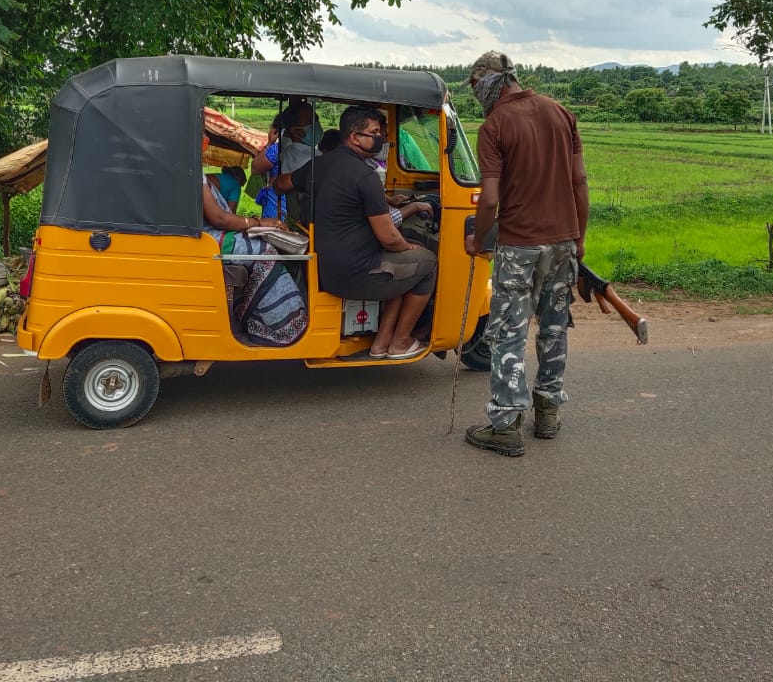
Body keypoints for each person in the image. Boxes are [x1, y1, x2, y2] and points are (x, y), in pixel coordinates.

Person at [463, 51, 589, 457]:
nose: (475, 95)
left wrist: (479, 240)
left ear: (488, 83)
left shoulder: (495, 125)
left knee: (508, 333)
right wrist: (578, 237)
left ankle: (505, 426)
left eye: (474, 87)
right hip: (563, 242)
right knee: (554, 328)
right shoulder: (561, 113)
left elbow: (489, 200)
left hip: (518, 245)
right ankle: (548, 413)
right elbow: (579, 181)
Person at [272, 105, 436, 359]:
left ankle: (382, 344)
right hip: (357, 274)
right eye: (374, 133)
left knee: (406, 265)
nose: (380, 138)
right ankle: (401, 341)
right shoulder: (365, 176)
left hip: (324, 266)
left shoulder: (320, 164)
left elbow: (280, 184)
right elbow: (390, 238)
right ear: (354, 137)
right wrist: (409, 247)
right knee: (427, 263)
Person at [200, 150, 309, 347]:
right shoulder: (192, 174)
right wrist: (257, 222)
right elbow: (220, 218)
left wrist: (255, 224)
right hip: (211, 238)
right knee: (266, 251)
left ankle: (251, 312)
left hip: (208, 235)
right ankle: (282, 326)